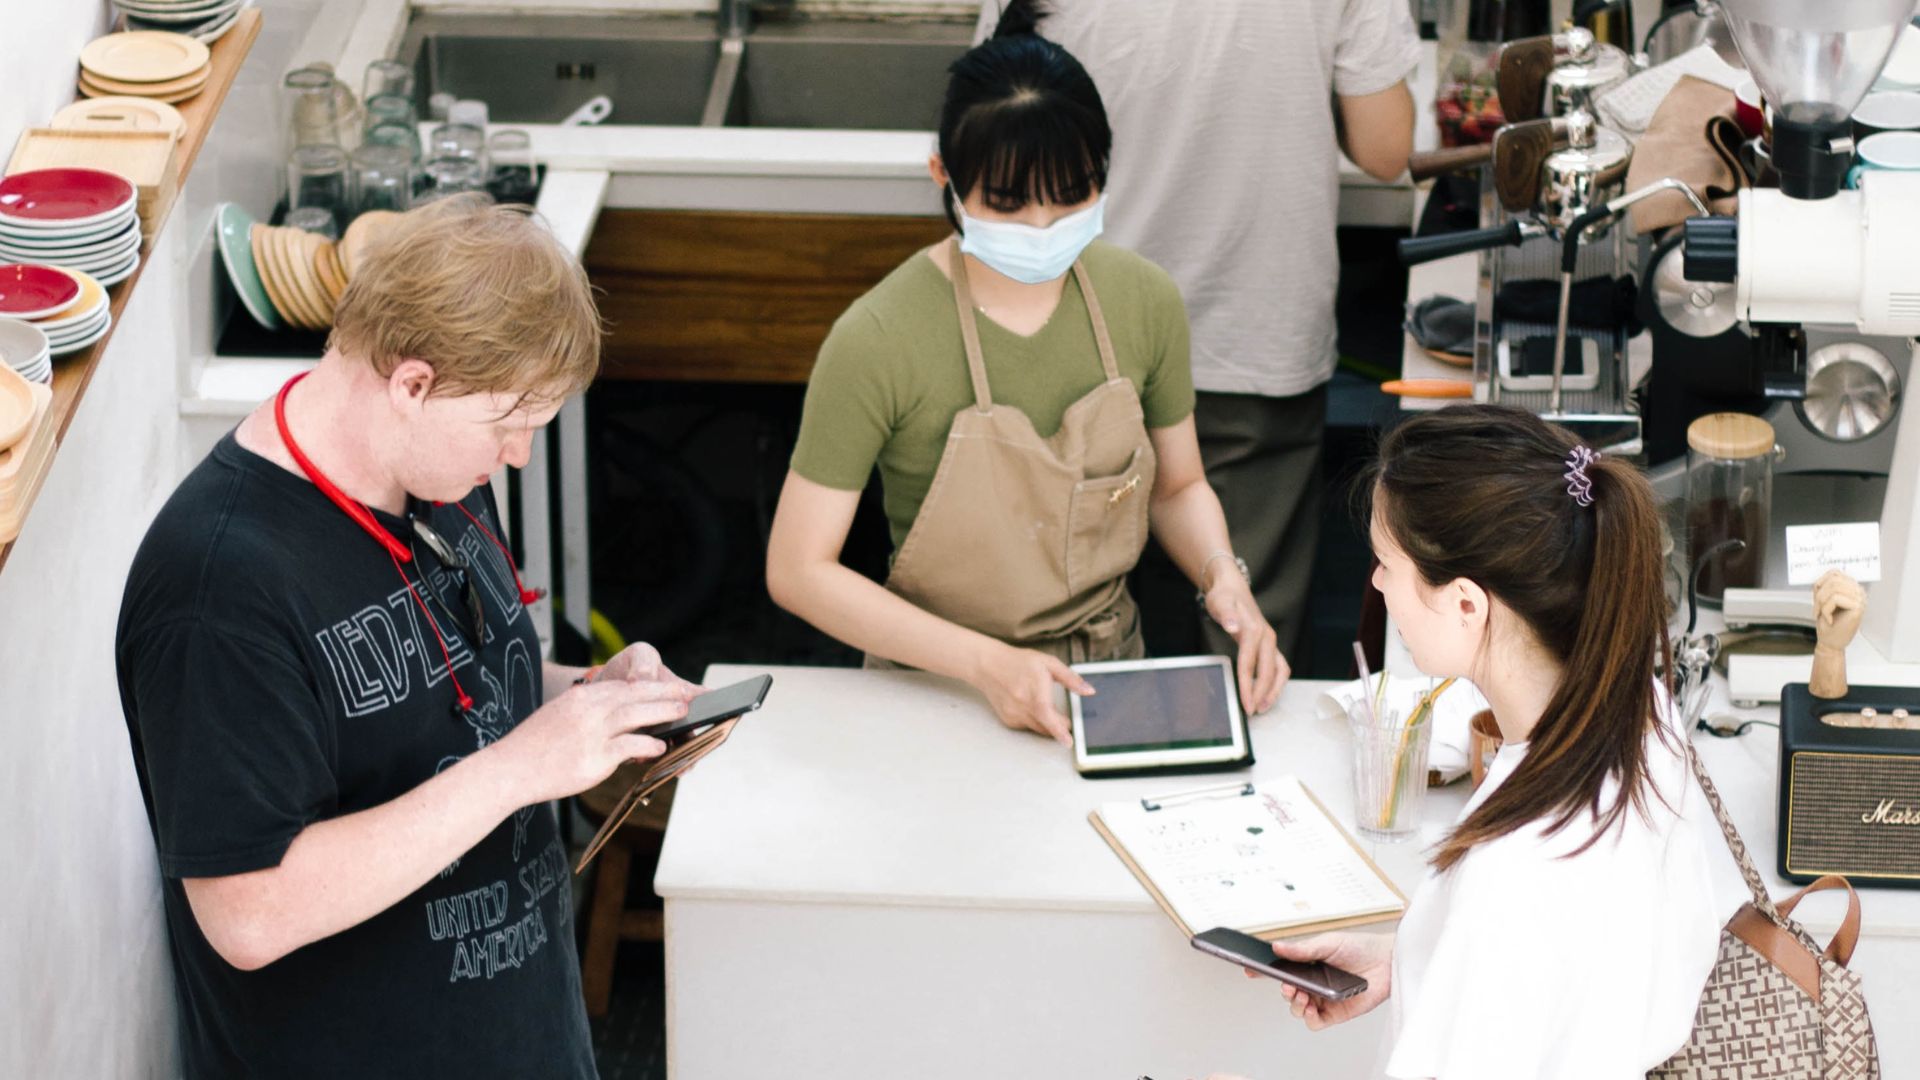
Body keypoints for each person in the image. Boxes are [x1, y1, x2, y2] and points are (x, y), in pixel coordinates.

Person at [116, 195, 698, 1078]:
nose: (518, 457)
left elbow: (463, 693)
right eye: (510, 424)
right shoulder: (219, 589)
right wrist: (525, 766)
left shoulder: (441, 479)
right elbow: (248, 914)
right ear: (413, 382)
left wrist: (591, 702)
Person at [766, 0, 1287, 745]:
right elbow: (797, 569)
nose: (1042, 228)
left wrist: (1224, 578)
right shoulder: (877, 339)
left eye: (1070, 197)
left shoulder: (1144, 301)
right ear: (944, 177)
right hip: (935, 691)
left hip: (1107, 685)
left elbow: (1178, 486)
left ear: (1104, 174)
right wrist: (986, 666)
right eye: (1007, 204)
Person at [1245, 406, 1722, 1078]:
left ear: (1467, 603)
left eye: (1386, 564)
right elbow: (1602, 969)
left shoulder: (1516, 873)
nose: (1377, 585)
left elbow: (1521, 936)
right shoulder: (1642, 708)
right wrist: (1411, 959)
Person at [975, 0, 1420, 662]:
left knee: (1076, 635)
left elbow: (987, 127)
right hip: (1252, 330)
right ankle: (1236, 759)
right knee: (1246, 637)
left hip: (1086, 335)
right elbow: (1387, 148)